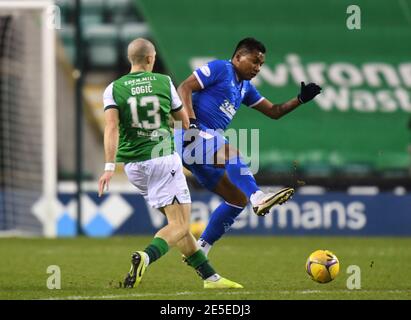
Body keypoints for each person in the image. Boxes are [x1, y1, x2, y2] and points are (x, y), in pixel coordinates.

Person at [98, 38, 242, 289]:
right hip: (162, 159)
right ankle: (145, 256)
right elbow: (184, 123)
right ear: (151, 59)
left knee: (179, 226)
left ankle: (211, 278)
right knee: (180, 225)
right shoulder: (164, 82)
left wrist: (109, 167)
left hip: (133, 167)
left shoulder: (112, 88)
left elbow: (111, 128)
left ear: (130, 59)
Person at [176, 37, 322, 256]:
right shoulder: (220, 68)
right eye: (254, 61)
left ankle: (201, 251)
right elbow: (184, 87)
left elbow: (274, 111)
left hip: (205, 145)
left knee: (236, 200)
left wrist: (299, 99)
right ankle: (258, 197)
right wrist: (192, 122)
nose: (258, 68)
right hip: (190, 134)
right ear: (237, 57)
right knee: (232, 153)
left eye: (261, 64)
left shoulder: (245, 88)